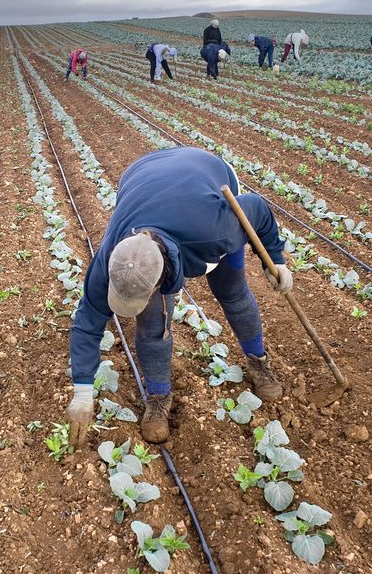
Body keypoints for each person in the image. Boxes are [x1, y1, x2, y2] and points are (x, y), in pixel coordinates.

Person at [65, 147, 292, 447]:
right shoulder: (114, 257)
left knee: (231, 289)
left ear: (161, 278)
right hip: (143, 175)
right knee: (153, 320)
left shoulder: (217, 228)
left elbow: (258, 209)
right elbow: (88, 320)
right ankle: (158, 397)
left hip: (208, 180)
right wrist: (81, 392)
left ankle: (258, 361)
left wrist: (274, 259)